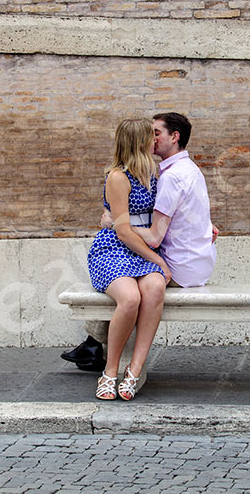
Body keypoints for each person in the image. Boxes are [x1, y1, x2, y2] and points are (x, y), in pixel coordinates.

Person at [62, 112, 217, 371]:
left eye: (156, 134)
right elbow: (137, 228)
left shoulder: (162, 174)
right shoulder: (159, 172)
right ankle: (101, 354)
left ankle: (95, 344)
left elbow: (160, 226)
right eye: (150, 136)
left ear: (174, 137)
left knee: (138, 288)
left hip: (161, 254)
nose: (153, 140)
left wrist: (118, 222)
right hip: (159, 253)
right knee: (129, 291)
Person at [86, 118, 171, 401]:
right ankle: (110, 371)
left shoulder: (153, 173)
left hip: (144, 246)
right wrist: (158, 261)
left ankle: (134, 370)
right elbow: (122, 232)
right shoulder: (118, 177)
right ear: (139, 142)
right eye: (151, 137)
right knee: (130, 299)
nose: (155, 141)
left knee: (155, 288)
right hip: (115, 249)